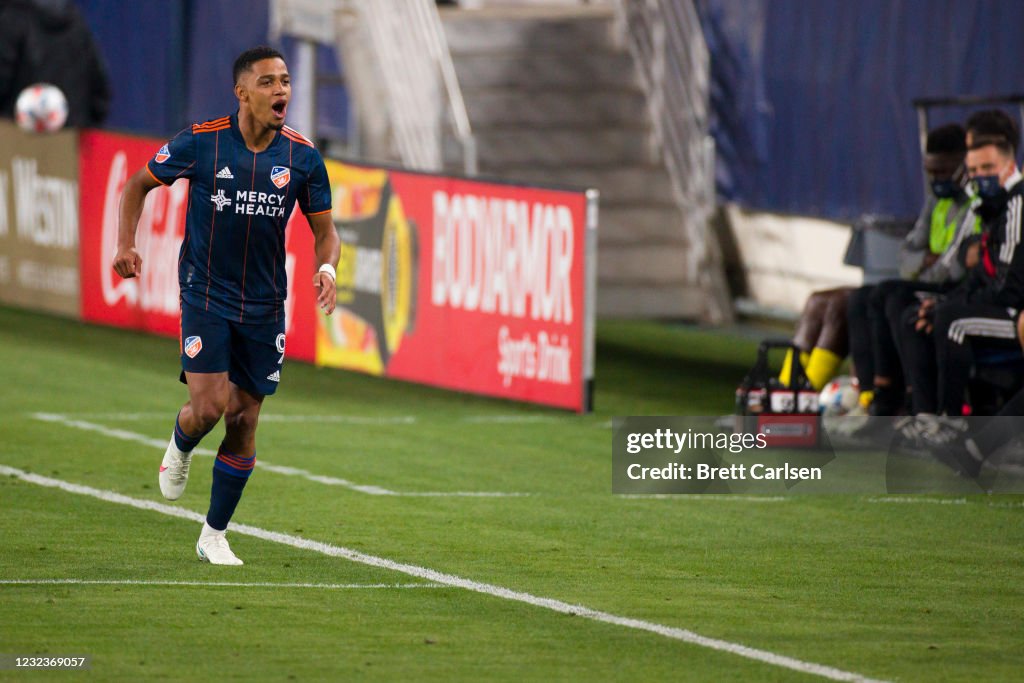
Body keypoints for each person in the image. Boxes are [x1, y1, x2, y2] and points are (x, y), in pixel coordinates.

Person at [112, 46, 340, 565]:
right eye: (267, 82)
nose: (281, 90)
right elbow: (137, 185)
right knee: (211, 408)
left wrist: (326, 269)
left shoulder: (302, 157)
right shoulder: (203, 141)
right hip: (205, 291)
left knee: (244, 420)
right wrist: (126, 244)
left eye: (284, 81)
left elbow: (326, 232)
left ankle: (213, 534)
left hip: (266, 304)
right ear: (241, 93)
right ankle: (181, 441)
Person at [848, 124, 977, 416]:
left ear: (962, 165)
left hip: (952, 288)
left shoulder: (974, 204)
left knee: (895, 299)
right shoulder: (936, 202)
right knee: (860, 299)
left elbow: (954, 270)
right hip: (929, 280)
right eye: (931, 171)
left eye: (943, 171)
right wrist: (926, 261)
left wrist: (927, 265)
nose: (936, 179)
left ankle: (899, 399)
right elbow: (905, 255)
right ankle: (871, 395)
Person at [0, 0, 112, 127]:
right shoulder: (76, 22)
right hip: (71, 139)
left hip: (15, 139)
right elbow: (100, 95)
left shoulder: (10, 20)